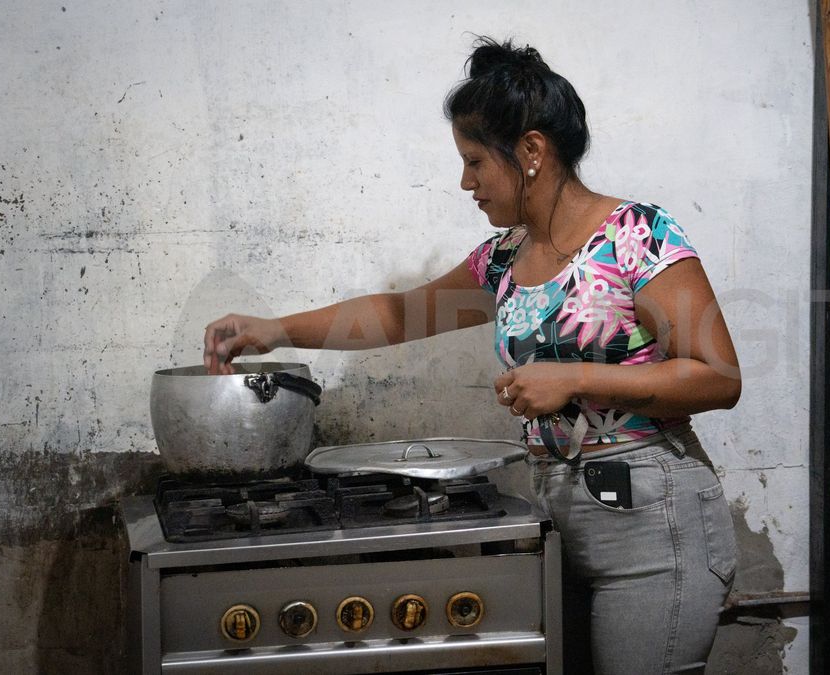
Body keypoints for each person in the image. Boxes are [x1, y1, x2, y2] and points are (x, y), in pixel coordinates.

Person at [203, 36, 741, 675]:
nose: (466, 183)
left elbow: (718, 377)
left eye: (476, 162)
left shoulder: (638, 235)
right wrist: (276, 329)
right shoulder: (506, 258)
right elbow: (400, 314)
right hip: (560, 517)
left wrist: (572, 378)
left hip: (658, 526)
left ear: (531, 152)